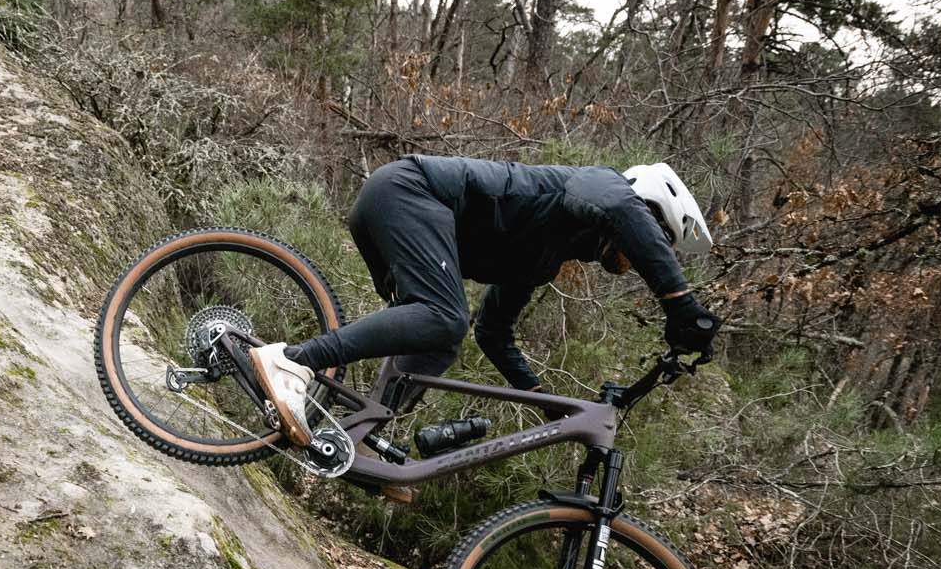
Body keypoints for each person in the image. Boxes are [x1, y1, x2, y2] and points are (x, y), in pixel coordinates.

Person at [248, 156, 721, 445]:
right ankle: (296, 360)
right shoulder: (601, 184)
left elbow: (494, 332)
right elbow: (620, 209)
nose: (640, 257)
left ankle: (358, 437)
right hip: (407, 191)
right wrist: (681, 304)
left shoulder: (544, 258)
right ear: (644, 209)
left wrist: (543, 399)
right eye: (657, 236)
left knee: (439, 340)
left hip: (397, 209)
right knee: (444, 316)